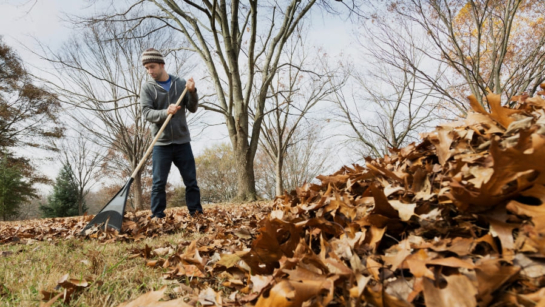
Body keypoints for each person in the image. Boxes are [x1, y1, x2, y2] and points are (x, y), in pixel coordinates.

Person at [139, 48, 203, 218]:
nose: (149, 71)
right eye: (146, 68)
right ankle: (157, 216)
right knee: (158, 183)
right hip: (161, 143)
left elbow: (193, 108)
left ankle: (196, 213)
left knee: (191, 181)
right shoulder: (147, 88)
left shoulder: (180, 83)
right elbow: (147, 113)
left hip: (182, 141)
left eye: (152, 67)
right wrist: (165, 112)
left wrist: (191, 91)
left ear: (161, 65)